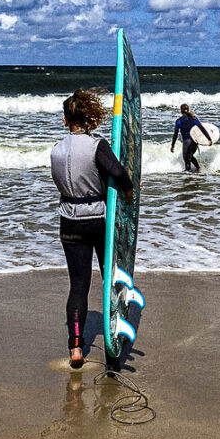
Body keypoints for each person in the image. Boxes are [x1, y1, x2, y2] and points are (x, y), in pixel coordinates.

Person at [50, 88, 133, 369]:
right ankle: (112, 342)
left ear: (65, 120)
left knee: (78, 285)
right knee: (109, 280)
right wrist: (130, 191)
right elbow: (119, 173)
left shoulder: (56, 151)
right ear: (88, 118)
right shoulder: (97, 145)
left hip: (69, 222)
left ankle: (76, 348)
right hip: (98, 220)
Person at [170, 103, 212, 172]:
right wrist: (209, 139)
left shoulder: (179, 121)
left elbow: (175, 134)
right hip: (195, 141)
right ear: (188, 109)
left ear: (181, 110)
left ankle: (188, 174)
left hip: (187, 141)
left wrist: (172, 145)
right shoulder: (194, 118)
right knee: (190, 156)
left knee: (186, 158)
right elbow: (202, 128)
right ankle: (198, 168)